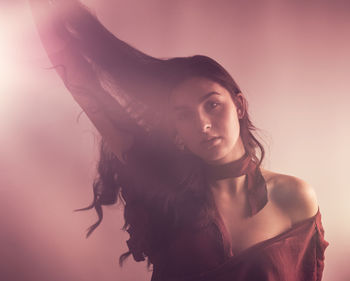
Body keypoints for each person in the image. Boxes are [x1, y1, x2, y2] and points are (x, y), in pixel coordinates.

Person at [29, 1, 329, 280]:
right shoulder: (165, 186)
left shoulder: (296, 196)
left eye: (212, 104)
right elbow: (82, 85)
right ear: (176, 129)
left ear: (239, 105)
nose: (204, 125)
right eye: (184, 115)